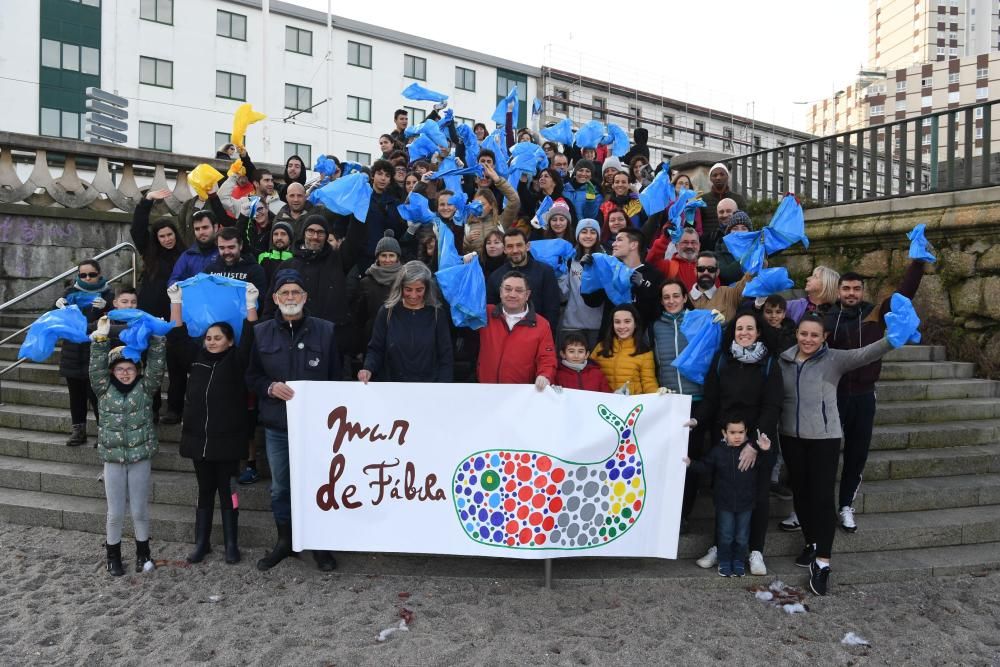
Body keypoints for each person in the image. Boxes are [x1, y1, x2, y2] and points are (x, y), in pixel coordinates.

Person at [777, 312, 895, 596]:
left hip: (824, 438)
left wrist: (893, 339)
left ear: (824, 337)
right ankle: (811, 542)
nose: (808, 339)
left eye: (814, 335)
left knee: (820, 497)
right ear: (797, 334)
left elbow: (866, 353)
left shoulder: (834, 360)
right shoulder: (784, 359)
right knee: (801, 494)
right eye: (804, 334)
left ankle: (823, 562)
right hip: (791, 436)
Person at [246, 269, 341, 572]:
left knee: (319, 485)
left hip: (318, 428)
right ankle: (285, 541)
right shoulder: (260, 332)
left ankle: (321, 544)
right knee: (280, 488)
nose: (290, 298)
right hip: (277, 426)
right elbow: (251, 376)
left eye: (295, 292)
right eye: (284, 293)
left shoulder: (326, 331)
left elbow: (338, 377)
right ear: (274, 298)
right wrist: (270, 388)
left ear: (305, 297)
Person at [826, 260, 925, 533]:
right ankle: (814, 504)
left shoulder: (875, 314)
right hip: (832, 394)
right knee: (825, 454)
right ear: (837, 292)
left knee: (857, 454)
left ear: (862, 291)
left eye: (856, 289)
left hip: (864, 395)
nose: (851, 293)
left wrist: (917, 263)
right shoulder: (825, 318)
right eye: (846, 288)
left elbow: (904, 295)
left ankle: (845, 505)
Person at [690, 311, 784, 576]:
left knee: (759, 496)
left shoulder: (768, 363)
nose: (744, 332)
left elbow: (773, 406)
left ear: (758, 332)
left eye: (749, 328)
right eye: (739, 328)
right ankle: (720, 546)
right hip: (726, 442)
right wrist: (697, 421)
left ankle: (756, 551)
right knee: (723, 496)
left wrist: (753, 444)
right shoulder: (722, 360)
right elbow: (710, 400)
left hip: (759, 441)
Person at [89, 317, 166, 576]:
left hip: (140, 458)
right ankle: (113, 556)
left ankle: (143, 554)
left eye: (130, 368)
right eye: (120, 368)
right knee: (115, 512)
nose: (124, 372)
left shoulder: (146, 389)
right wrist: (100, 340)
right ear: (112, 372)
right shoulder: (103, 389)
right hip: (112, 460)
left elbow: (157, 367)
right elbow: (95, 370)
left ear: (137, 370)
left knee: (140, 510)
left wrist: (157, 337)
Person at [180, 304, 257, 565]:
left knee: (228, 491)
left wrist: (251, 308)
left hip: (227, 440)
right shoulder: (197, 359)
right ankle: (202, 543)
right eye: (209, 338)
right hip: (198, 440)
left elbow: (250, 337)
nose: (212, 342)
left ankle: (231, 543)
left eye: (218, 338)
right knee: (204, 491)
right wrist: (177, 304)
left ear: (230, 341)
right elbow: (178, 337)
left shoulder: (236, 360)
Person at [684, 418, 772, 577]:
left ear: (746, 432)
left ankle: (738, 561)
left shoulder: (750, 453)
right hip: (724, 502)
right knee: (725, 534)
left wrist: (765, 450)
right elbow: (705, 466)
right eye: (732, 432)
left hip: (746, 503)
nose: (737, 436)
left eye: (741, 432)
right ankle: (724, 561)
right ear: (724, 433)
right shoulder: (718, 451)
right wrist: (691, 463)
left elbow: (765, 465)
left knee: (742, 536)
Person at [358, 261, 453, 383]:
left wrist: (443, 387)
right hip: (392, 385)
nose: (413, 295)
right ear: (400, 287)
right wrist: (368, 369)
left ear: (427, 288)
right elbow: (376, 348)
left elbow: (445, 356)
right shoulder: (387, 312)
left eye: (419, 290)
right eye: (408, 289)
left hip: (429, 388)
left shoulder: (436, 314)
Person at [56, 259, 113, 446]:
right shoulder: (70, 293)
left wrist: (106, 307)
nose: (87, 278)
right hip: (72, 351)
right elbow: (55, 319)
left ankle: (103, 432)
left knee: (97, 395)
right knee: (76, 395)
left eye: (92, 274)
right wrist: (57, 307)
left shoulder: (107, 293)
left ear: (99, 274)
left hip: (95, 350)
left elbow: (114, 318)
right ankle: (78, 430)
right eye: (83, 275)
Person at [477, 271, 557, 387]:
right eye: (508, 289)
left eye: (519, 290)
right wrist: (465, 267)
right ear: (500, 292)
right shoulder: (485, 314)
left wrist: (545, 375)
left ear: (527, 295)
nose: (512, 295)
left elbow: (547, 358)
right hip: (486, 389)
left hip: (521, 394)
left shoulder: (542, 324)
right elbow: (461, 302)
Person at [584, 228, 664, 332]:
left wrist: (642, 287)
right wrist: (589, 274)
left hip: (638, 341)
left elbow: (655, 313)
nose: (613, 244)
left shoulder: (653, 274)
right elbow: (592, 302)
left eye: (619, 240)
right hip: (609, 340)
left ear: (633, 245)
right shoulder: (610, 271)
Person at [486, 228, 562, 330]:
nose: (515, 250)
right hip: (506, 334)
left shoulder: (545, 272)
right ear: (504, 250)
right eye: (510, 246)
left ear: (527, 246)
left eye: (519, 245)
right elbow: (492, 312)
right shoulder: (495, 276)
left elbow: (552, 308)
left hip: (537, 333)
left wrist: (548, 334)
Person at [131, 188, 186, 320]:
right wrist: (147, 200)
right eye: (162, 236)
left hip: (174, 308)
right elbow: (138, 229)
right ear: (157, 238)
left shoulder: (185, 254)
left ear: (175, 234)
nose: (167, 239)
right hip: (149, 307)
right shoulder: (149, 251)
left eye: (169, 234)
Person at [589, 304, 658, 395]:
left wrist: (658, 394)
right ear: (612, 325)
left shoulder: (644, 352)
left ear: (635, 324)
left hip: (632, 405)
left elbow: (648, 383)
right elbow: (587, 374)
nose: (622, 326)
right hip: (604, 403)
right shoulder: (601, 347)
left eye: (627, 321)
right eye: (617, 322)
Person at [353, 230, 403, 352]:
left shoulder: (405, 280)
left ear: (397, 258)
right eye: (383, 255)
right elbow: (360, 317)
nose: (387, 260)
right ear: (377, 257)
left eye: (391, 255)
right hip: (372, 339)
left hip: (400, 338)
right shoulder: (366, 282)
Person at [560, 219, 605, 348]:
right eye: (584, 232)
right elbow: (563, 294)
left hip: (597, 324)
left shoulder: (604, 259)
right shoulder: (569, 259)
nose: (588, 236)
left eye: (593, 232)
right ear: (577, 235)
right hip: (571, 324)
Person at [688, 251, 750, 322]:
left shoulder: (729, 294)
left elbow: (748, 279)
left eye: (711, 269)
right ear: (695, 271)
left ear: (717, 272)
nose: (706, 272)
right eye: (701, 269)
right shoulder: (684, 299)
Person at [205, 227, 268, 296]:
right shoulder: (210, 270)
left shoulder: (255, 271)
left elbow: (260, 301)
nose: (226, 252)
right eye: (222, 248)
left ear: (240, 245)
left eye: (231, 247)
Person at [700, 164, 746, 245]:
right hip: (709, 245)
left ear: (727, 176)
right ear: (710, 178)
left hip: (734, 244)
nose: (718, 177)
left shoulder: (738, 199)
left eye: (722, 174)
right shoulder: (702, 200)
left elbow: (745, 223)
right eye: (715, 175)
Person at [646, 226, 702, 292]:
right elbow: (651, 262)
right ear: (676, 246)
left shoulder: (708, 268)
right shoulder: (669, 266)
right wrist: (664, 239)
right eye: (685, 242)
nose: (689, 246)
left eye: (693, 242)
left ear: (699, 246)